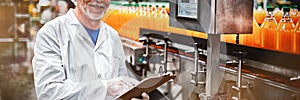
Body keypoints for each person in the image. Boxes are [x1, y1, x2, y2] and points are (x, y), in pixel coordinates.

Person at [32, 0, 149, 99]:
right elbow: (48, 92)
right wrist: (104, 88)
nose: (98, 1)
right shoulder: (52, 33)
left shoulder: (112, 35)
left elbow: (121, 85)